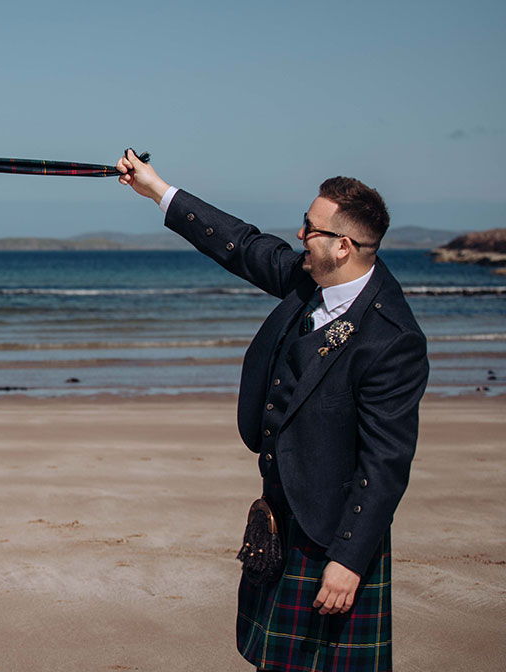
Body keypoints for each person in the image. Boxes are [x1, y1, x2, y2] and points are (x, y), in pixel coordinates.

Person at [115, 149, 426, 672]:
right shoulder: (312, 280)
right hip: (282, 511)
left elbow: (385, 463)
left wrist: (348, 561)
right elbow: (243, 245)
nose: (300, 236)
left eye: (310, 228)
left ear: (344, 246)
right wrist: (157, 189)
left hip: (334, 528)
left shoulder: (392, 339)